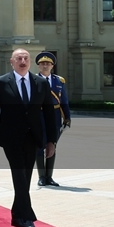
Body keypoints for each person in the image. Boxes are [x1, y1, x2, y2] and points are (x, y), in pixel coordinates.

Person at [0, 49, 58, 227]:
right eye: (19, 58)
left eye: (26, 58)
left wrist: (51, 141)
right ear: (12, 61)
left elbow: (49, 114)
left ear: (30, 61)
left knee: (26, 174)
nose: (22, 61)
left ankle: (17, 214)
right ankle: (27, 217)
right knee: (19, 174)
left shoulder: (40, 83)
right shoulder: (1, 82)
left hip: (33, 137)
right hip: (10, 137)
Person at [34, 52, 70, 187]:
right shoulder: (32, 80)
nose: (45, 66)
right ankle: (41, 177)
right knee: (39, 146)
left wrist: (67, 117)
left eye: (48, 64)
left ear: (52, 66)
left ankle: (49, 177)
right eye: (42, 64)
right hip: (39, 115)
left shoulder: (59, 81)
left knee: (52, 145)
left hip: (54, 116)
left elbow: (64, 101)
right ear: (39, 66)